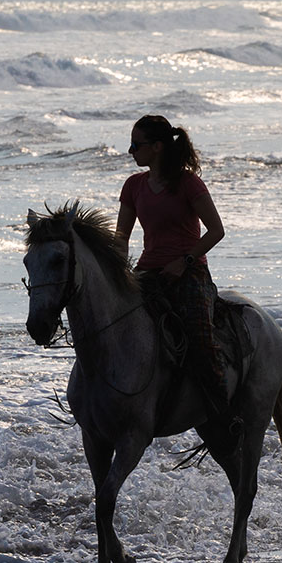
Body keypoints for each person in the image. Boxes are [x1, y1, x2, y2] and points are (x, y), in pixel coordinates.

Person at [115, 113, 232, 424]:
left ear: (156, 147)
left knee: (201, 339)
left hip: (189, 272)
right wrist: (115, 273)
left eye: (135, 145)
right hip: (147, 272)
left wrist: (185, 261)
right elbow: (121, 237)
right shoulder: (133, 186)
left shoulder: (187, 183)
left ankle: (225, 416)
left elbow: (216, 230)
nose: (131, 151)